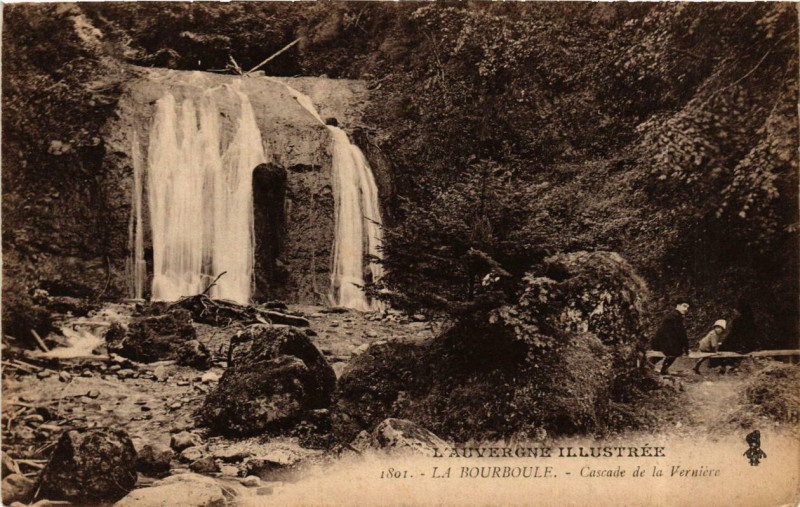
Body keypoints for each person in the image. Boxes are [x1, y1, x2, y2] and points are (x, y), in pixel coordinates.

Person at [651, 301, 690, 374]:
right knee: (674, 352)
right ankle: (662, 369)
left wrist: (685, 346)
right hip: (661, 341)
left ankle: (662, 369)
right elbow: (679, 333)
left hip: (664, 340)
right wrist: (686, 347)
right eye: (684, 306)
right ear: (678, 305)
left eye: (687, 307)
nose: (686, 309)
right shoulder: (673, 317)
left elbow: (680, 333)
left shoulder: (676, 316)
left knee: (674, 352)